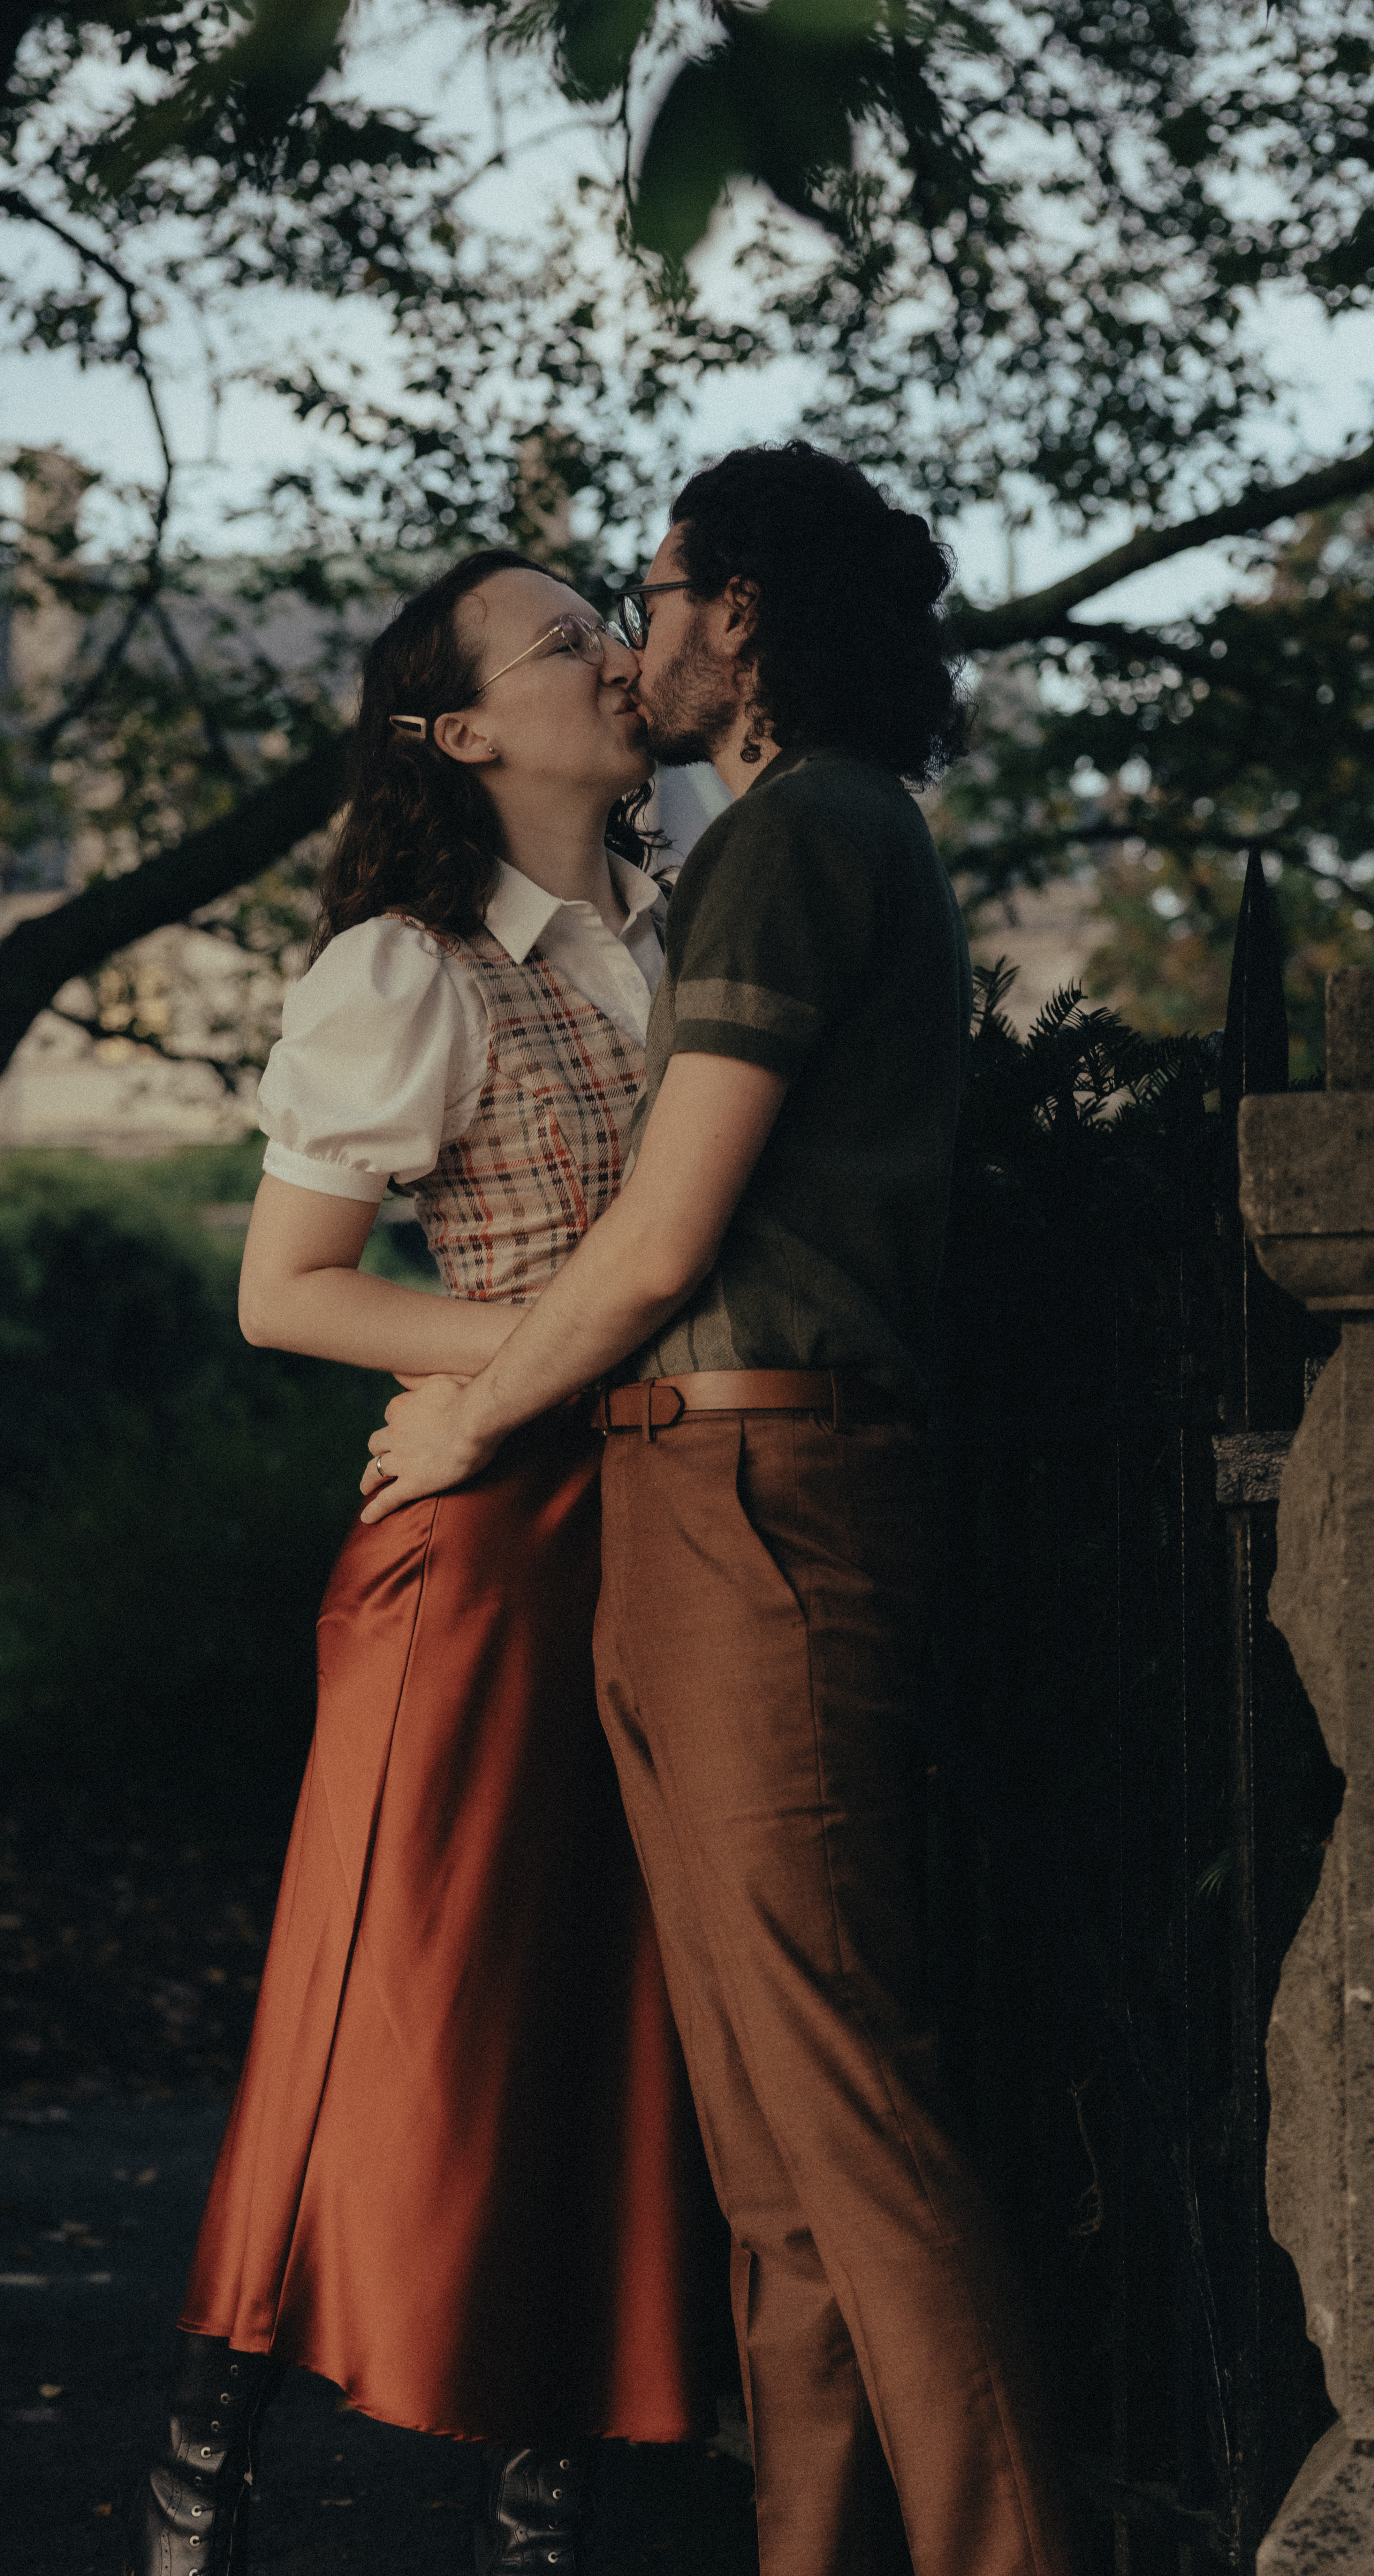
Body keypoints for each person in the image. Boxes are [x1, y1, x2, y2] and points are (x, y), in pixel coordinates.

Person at [364, 447, 1077, 2576]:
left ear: (741, 613)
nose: (634, 633)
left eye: (652, 594)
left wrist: (473, 1408)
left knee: (843, 2117)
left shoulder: (801, 837)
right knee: (768, 2154)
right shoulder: (792, 839)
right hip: (703, 1495)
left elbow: (664, 1237)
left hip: (757, 1490)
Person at [122, 549, 722, 2576]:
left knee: (616, 2009)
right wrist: (566, 1351)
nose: (617, 656)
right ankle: (212, 2443)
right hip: (484, 1537)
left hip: (680, 1508)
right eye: (570, 640)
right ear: (463, 733)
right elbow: (289, 1296)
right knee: (391, 1993)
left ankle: (542, 2491)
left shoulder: (701, 907)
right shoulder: (406, 966)